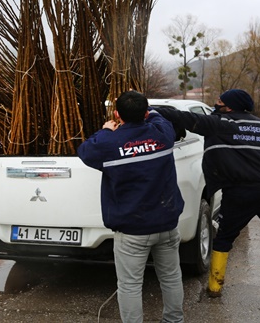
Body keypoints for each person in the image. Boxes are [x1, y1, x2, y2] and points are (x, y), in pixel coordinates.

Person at [154, 89, 260, 305]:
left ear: (229, 107)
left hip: (239, 191)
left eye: (220, 101)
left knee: (224, 239)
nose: (216, 103)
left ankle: (214, 287)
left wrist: (145, 108)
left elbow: (183, 118)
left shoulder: (220, 123)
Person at [78, 90, 185, 322]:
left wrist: (106, 129)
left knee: (130, 285)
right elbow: (161, 118)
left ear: (117, 114)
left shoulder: (109, 143)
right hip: (167, 223)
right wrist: (149, 112)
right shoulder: (163, 134)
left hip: (132, 230)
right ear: (145, 113)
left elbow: (85, 151)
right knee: (171, 277)